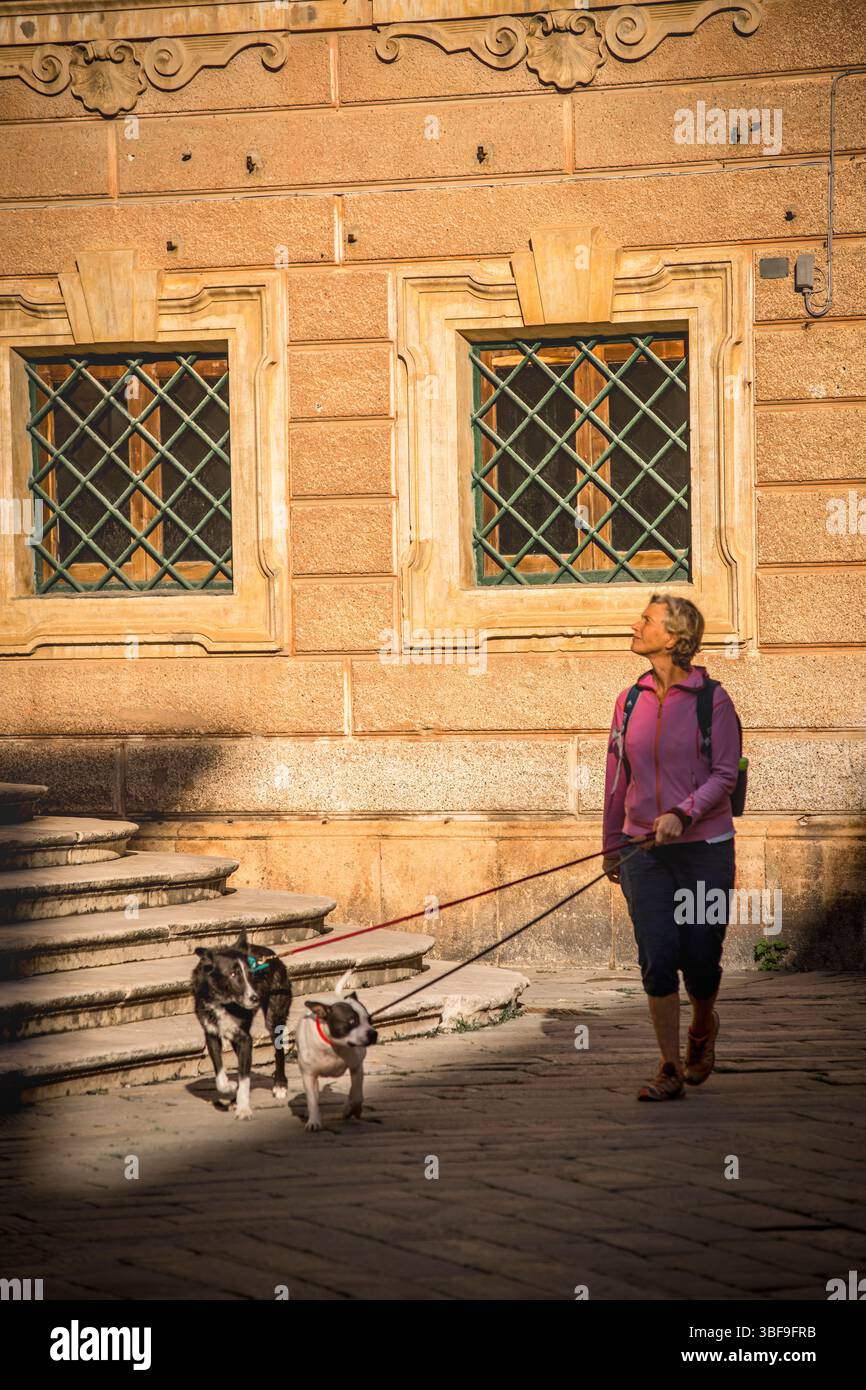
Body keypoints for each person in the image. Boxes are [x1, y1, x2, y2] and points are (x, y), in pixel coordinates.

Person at [602, 595, 741, 1101]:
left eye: (646, 621)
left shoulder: (713, 700)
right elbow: (616, 776)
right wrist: (611, 842)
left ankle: (703, 1026)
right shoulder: (629, 700)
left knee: (701, 957)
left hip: (705, 847)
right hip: (645, 851)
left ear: (676, 638)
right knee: (658, 955)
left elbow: (725, 774)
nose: (634, 626)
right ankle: (667, 1066)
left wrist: (682, 813)